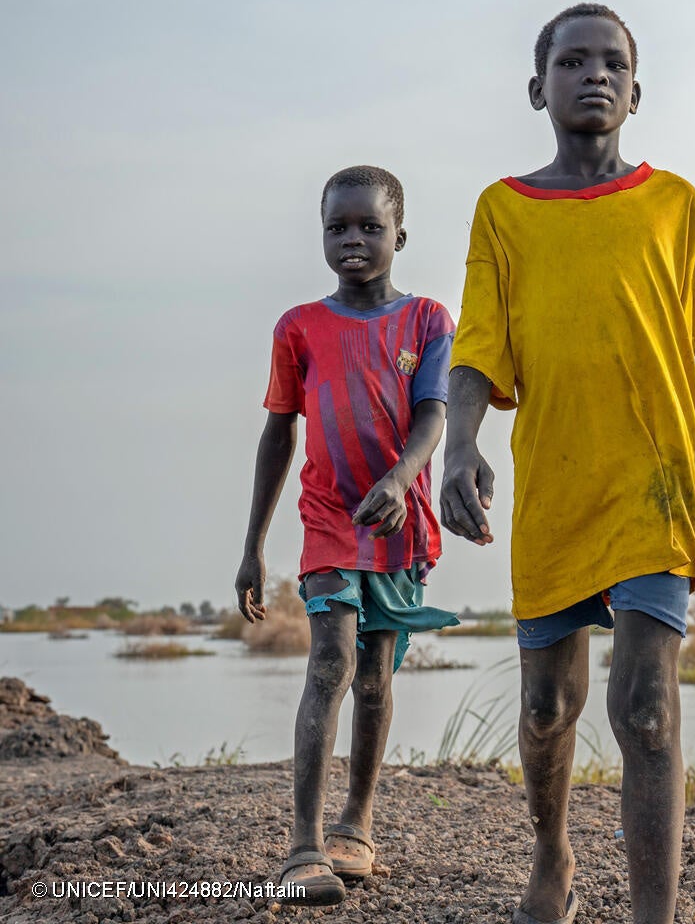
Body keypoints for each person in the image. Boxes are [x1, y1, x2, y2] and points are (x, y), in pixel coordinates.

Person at [441, 3, 695, 924]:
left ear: (638, 90)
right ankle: (551, 857)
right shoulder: (502, 211)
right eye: (571, 60)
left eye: (613, 63)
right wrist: (460, 443)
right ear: (537, 86)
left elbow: (672, 341)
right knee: (549, 708)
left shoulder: (676, 205)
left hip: (651, 480)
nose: (593, 74)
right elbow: (477, 346)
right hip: (553, 479)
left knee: (644, 710)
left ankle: (653, 916)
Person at [235, 165, 460, 906]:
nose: (354, 239)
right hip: (329, 514)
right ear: (322, 235)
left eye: (370, 226)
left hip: (396, 517)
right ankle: (302, 845)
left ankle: (355, 824)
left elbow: (433, 415)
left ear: (401, 234)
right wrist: (252, 544)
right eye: (339, 227)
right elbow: (278, 435)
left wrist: (400, 480)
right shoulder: (299, 327)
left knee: (377, 671)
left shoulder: (427, 319)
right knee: (328, 660)